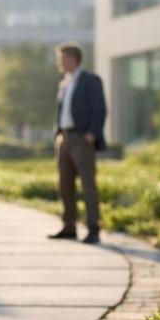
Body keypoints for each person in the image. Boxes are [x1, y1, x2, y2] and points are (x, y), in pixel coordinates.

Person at [49, 42, 107, 244]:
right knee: (65, 185)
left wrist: (92, 133)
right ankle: (69, 226)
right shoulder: (64, 83)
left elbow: (99, 108)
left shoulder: (90, 80)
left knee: (88, 185)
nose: (59, 62)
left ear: (74, 59)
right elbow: (62, 111)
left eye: (62, 58)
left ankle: (93, 229)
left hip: (82, 139)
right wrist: (58, 133)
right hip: (64, 138)